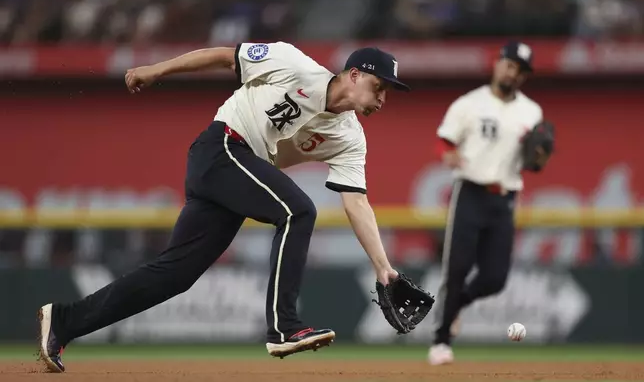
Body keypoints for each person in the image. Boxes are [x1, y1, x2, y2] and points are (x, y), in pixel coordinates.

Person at [37, 42, 411, 373]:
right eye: (379, 87)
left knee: (174, 276)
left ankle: (65, 322)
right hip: (223, 147)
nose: (382, 98)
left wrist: (384, 270)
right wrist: (157, 69)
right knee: (298, 210)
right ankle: (284, 326)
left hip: (237, 175)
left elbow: (357, 203)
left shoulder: (349, 137)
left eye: (388, 93)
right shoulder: (294, 63)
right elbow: (223, 56)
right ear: (355, 74)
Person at [428, 41, 551, 365]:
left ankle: (456, 306)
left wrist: (538, 158)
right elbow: (444, 140)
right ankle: (441, 341)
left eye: (521, 70)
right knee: (456, 269)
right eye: (510, 65)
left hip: (505, 199)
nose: (514, 73)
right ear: (497, 64)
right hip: (470, 192)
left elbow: (534, 159)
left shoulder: (531, 111)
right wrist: (448, 155)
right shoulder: (469, 104)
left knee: (495, 278)